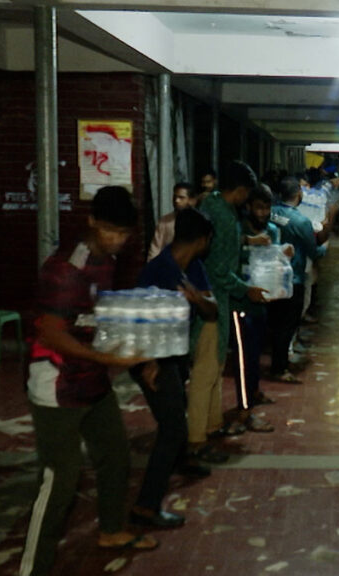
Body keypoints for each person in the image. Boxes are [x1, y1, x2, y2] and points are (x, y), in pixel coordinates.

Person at [20, 186, 157, 576]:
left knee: (115, 456)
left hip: (92, 381)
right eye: (109, 230)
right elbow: (51, 334)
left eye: (123, 233)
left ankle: (111, 531)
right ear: (92, 221)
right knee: (59, 480)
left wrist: (138, 356)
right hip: (57, 384)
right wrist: (109, 359)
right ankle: (32, 568)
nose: (116, 239)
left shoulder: (106, 260)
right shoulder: (67, 269)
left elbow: (98, 316)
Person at [129, 207, 218, 528]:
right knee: (173, 429)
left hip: (175, 353)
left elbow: (212, 311)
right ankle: (146, 506)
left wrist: (196, 299)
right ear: (203, 240)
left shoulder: (191, 266)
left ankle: (182, 461)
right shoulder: (157, 271)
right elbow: (138, 323)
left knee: (178, 407)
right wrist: (150, 362)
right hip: (152, 357)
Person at [198, 161, 268, 437]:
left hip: (213, 295)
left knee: (214, 366)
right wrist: (245, 289)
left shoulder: (213, 204)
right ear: (239, 190)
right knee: (220, 364)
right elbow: (220, 269)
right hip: (221, 298)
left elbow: (224, 248)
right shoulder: (225, 217)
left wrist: (249, 243)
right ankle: (206, 430)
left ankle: (212, 423)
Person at [229, 183, 283, 429]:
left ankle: (254, 392)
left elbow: (275, 262)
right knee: (244, 359)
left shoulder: (272, 230)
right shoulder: (237, 228)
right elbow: (228, 256)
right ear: (249, 206)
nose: (263, 213)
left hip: (263, 303)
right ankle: (244, 411)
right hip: (241, 302)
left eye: (267, 208)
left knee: (256, 356)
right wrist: (250, 242)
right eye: (258, 208)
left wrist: (284, 255)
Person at [269, 176, 326, 383]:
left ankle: (277, 361)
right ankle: (280, 367)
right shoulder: (300, 221)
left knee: (275, 323)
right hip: (292, 278)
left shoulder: (271, 212)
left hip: (269, 275)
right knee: (288, 324)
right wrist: (325, 247)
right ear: (298, 194)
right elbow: (313, 251)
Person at [148, 182, 208, 261]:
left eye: (181, 197)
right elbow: (156, 248)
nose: (176, 200)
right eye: (175, 197)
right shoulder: (165, 221)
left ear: (192, 200)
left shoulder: (200, 222)